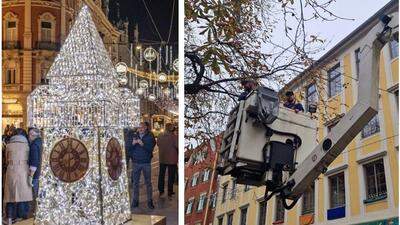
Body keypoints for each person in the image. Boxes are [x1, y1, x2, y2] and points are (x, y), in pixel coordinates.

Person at [4, 128, 33, 224]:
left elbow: (6, 158)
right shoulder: (27, 146)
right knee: (23, 196)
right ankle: (22, 218)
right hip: (23, 171)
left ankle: (9, 218)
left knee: (10, 196)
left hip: (11, 170)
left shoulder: (8, 145)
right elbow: (30, 159)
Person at [130, 122, 156, 209]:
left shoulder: (150, 136)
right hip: (136, 162)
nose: (140, 129)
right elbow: (129, 148)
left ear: (145, 128)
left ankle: (150, 201)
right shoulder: (134, 135)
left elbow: (151, 148)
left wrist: (143, 144)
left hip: (146, 162)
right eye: (139, 127)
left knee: (148, 183)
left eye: (142, 127)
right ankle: (135, 201)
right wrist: (132, 144)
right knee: (135, 183)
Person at [157, 123, 178, 197]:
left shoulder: (160, 135)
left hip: (162, 158)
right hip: (172, 159)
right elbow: (177, 145)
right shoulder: (174, 136)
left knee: (161, 175)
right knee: (171, 176)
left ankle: (161, 190)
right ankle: (170, 191)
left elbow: (158, 144)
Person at [28, 128, 42, 198]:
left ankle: (35, 209)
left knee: (35, 196)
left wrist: (30, 176)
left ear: (32, 135)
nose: (29, 137)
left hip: (36, 175)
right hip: (42, 173)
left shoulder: (34, 145)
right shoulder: (42, 142)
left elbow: (34, 161)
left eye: (29, 135)